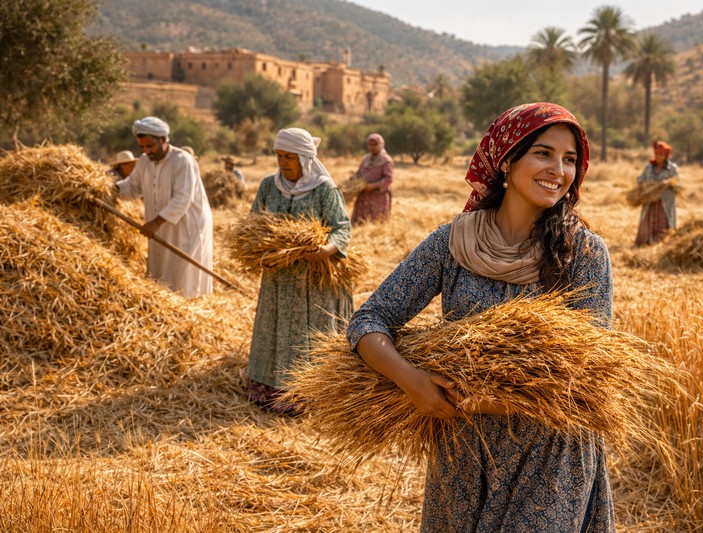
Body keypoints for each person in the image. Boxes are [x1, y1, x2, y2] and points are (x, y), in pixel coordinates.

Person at [346, 103, 614, 530]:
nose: (558, 170)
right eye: (543, 153)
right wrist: (410, 380)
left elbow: (586, 377)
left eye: (569, 160)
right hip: (464, 459)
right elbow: (369, 320)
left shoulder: (582, 253)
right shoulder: (455, 241)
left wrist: (481, 400)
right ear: (507, 158)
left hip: (549, 457)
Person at [246, 127, 353, 415]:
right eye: (279, 156)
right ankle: (268, 389)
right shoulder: (269, 186)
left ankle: (308, 394)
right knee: (276, 328)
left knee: (308, 333)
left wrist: (327, 250)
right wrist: (260, 253)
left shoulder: (324, 189)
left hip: (312, 278)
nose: (283, 162)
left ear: (305, 159)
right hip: (278, 276)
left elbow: (342, 228)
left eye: (289, 157)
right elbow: (253, 225)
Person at [115, 116, 214, 297]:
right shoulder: (144, 161)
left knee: (183, 274)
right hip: (159, 225)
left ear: (163, 139)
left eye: (150, 146)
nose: (146, 151)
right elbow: (133, 187)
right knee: (161, 274)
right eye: (142, 147)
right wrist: (110, 189)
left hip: (187, 226)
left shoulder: (183, 161)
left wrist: (156, 223)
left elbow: (183, 198)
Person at [634, 140, 679, 246]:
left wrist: (667, 183)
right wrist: (641, 184)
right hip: (650, 201)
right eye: (656, 154)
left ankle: (661, 243)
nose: (658, 156)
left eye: (661, 154)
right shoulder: (649, 167)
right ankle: (645, 243)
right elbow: (641, 178)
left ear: (666, 155)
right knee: (647, 220)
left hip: (664, 202)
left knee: (663, 222)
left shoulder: (672, 168)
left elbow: (677, 184)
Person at [350, 133, 393, 224]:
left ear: (381, 145)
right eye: (370, 145)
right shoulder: (366, 159)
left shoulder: (386, 160)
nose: (372, 147)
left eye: (375, 145)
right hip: (363, 196)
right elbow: (359, 173)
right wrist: (353, 180)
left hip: (378, 197)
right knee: (360, 223)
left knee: (376, 223)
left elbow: (388, 179)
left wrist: (372, 186)